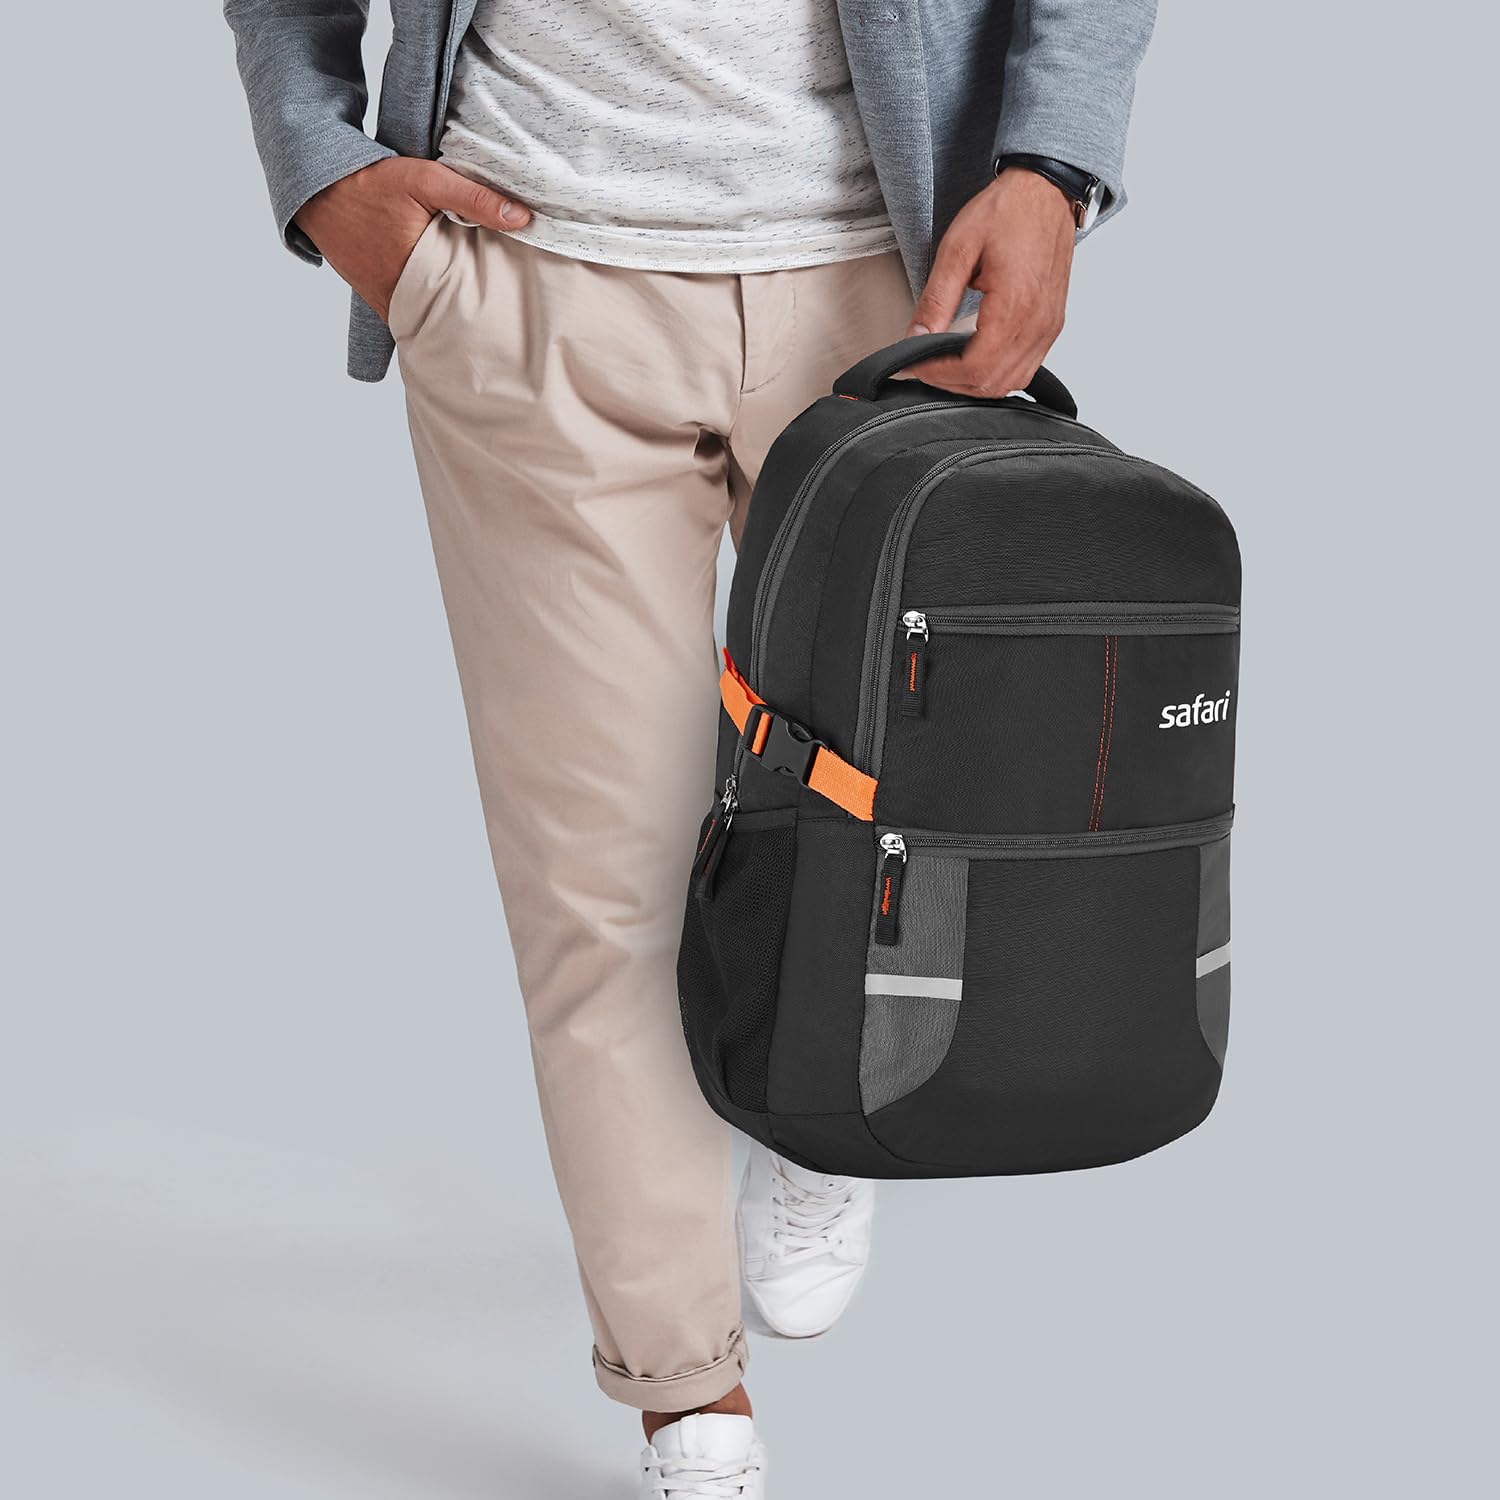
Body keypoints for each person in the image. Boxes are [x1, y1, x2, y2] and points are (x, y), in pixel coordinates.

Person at [224, 2, 1156, 1493]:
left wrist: (1053, 163)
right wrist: (317, 163)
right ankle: (686, 1394)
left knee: (892, 807)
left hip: (891, 275)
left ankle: (811, 1109)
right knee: (602, 882)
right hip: (531, 275)